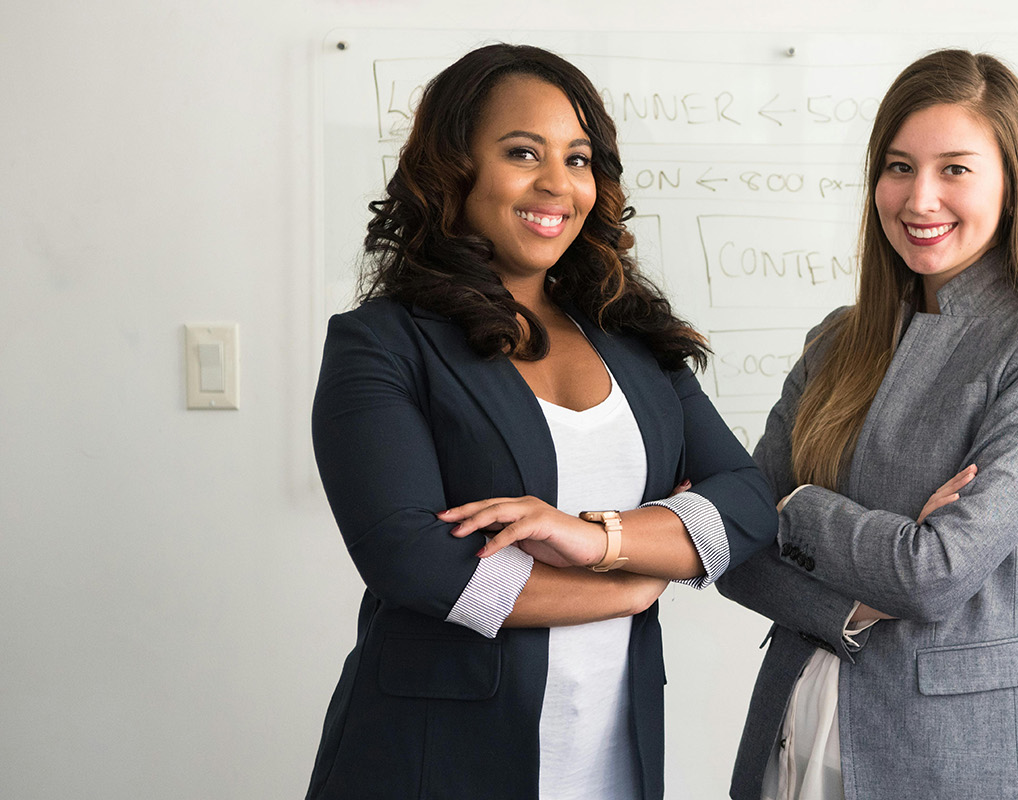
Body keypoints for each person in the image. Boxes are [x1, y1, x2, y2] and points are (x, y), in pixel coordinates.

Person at [304, 44, 776, 800]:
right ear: (455, 168)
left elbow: (748, 500)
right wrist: (627, 586)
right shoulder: (383, 344)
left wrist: (599, 540)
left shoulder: (633, 341)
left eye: (579, 158)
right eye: (523, 152)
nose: (558, 183)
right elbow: (415, 560)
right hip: (435, 763)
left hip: (611, 763)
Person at [717, 49, 1018, 800]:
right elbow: (733, 544)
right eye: (898, 167)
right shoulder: (836, 338)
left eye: (955, 168)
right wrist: (852, 605)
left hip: (955, 753)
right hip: (793, 725)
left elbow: (935, 574)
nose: (920, 198)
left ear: (1010, 183)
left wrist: (795, 509)